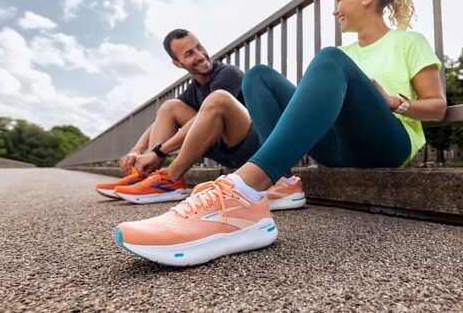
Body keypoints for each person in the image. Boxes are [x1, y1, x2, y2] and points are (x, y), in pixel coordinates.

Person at [112, 0, 447, 266]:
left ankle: (244, 192)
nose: (334, 11)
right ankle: (282, 181)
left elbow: (437, 106)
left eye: (340, 0)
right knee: (258, 74)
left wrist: (394, 103)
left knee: (329, 59)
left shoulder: (407, 42)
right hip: (337, 149)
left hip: (388, 145)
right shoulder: (346, 53)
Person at [95, 29, 306, 209]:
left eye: (199, 47)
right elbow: (160, 121)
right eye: (189, 53)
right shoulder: (193, 90)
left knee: (218, 99)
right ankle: (149, 176)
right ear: (178, 63)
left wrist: (160, 150)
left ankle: (173, 177)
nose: (199, 55)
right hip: (223, 150)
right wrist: (138, 151)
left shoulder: (227, 73)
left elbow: (210, 110)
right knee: (170, 107)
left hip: (252, 146)